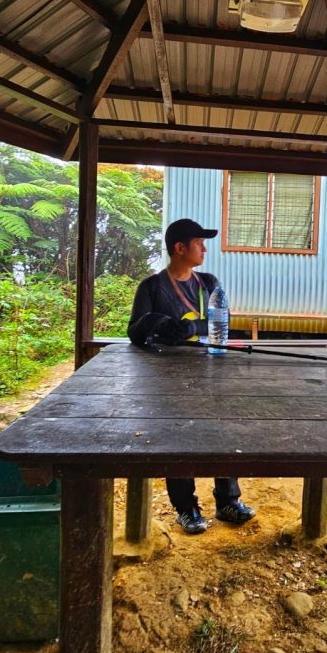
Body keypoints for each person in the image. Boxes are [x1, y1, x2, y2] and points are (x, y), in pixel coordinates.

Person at [127, 218, 257, 535]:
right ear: (180, 248)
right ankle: (186, 509)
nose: (205, 248)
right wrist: (156, 322)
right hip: (167, 379)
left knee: (220, 433)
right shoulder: (151, 287)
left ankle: (228, 502)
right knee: (177, 439)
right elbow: (134, 333)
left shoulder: (209, 283)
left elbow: (221, 326)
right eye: (199, 243)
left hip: (210, 373)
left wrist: (194, 328)